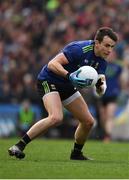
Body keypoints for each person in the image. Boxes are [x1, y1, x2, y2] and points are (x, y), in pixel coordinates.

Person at [8, 27, 118, 160]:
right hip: (49, 80)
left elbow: (100, 87)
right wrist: (69, 75)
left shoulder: (102, 61)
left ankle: (76, 154)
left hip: (67, 85)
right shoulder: (78, 49)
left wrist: (101, 88)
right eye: (107, 45)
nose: (109, 50)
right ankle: (19, 146)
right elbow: (52, 64)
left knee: (88, 122)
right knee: (56, 117)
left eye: (112, 46)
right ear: (97, 42)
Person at [97, 51, 123, 142]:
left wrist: (120, 90)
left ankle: (108, 136)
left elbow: (120, 80)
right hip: (102, 93)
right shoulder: (101, 65)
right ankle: (105, 134)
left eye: (113, 54)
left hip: (113, 93)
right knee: (103, 117)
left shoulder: (118, 67)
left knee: (110, 115)